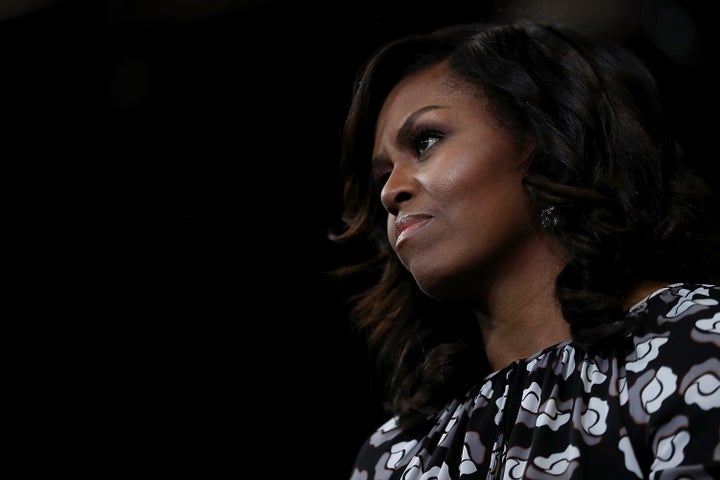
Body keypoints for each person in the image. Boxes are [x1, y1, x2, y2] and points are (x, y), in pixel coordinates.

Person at [328, 18, 720, 480]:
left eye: (426, 141)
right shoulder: (393, 456)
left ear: (543, 140)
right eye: (382, 175)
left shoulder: (695, 344)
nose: (390, 191)